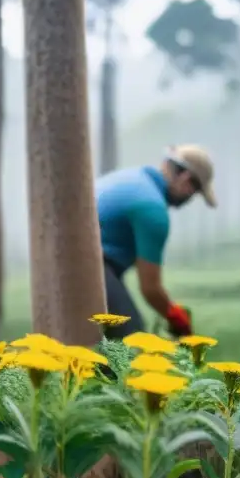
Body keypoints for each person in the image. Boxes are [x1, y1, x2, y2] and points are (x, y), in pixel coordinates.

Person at [97, 144, 217, 339]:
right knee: (129, 340)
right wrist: (180, 322)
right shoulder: (152, 209)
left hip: (67, 258)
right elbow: (150, 289)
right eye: (194, 193)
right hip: (89, 264)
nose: (190, 199)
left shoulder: (132, 178)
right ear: (186, 180)